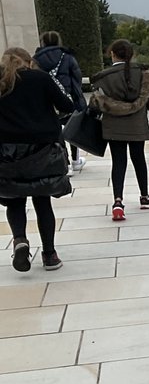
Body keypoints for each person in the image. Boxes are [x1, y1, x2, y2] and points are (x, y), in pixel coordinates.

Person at [0, 47, 74, 272]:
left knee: (14, 200)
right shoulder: (40, 78)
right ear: (28, 62)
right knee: (42, 201)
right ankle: (49, 254)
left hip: (7, 152)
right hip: (42, 151)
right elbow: (67, 106)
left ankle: (20, 240)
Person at [90, 40, 149, 222]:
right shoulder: (143, 76)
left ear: (112, 54)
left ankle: (118, 202)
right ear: (132, 54)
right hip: (137, 128)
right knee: (139, 159)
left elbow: (94, 106)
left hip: (113, 128)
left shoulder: (103, 77)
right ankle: (144, 196)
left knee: (118, 162)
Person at [33, 31, 87, 173]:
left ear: (43, 42)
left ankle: (65, 162)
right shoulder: (67, 57)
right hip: (68, 97)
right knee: (72, 129)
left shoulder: (36, 60)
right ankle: (75, 160)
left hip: (46, 101)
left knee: (56, 131)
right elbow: (77, 77)